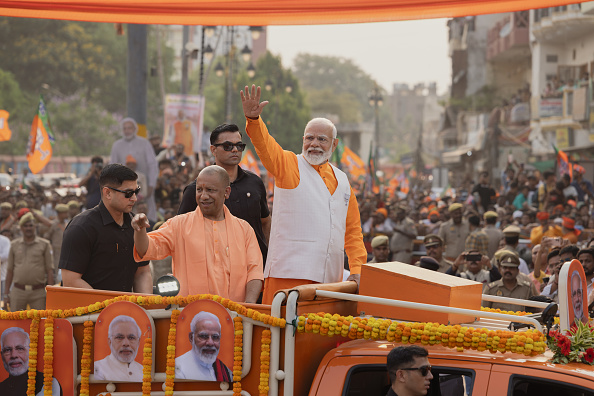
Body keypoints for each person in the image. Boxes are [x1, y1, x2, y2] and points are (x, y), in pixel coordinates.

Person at [240, 85, 366, 304]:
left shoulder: (343, 181)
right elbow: (266, 147)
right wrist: (254, 120)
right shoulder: (289, 164)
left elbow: (353, 231)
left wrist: (356, 268)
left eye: (321, 139)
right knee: (282, 335)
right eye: (309, 138)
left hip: (330, 279)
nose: (314, 144)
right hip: (288, 275)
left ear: (334, 144)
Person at [132, 165, 263, 303]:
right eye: (199, 190)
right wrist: (140, 231)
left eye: (210, 190)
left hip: (234, 317)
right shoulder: (179, 225)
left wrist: (247, 309)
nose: (204, 196)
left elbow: (255, 272)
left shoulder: (244, 229)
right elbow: (145, 249)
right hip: (190, 317)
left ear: (227, 192)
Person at [178, 123, 271, 262]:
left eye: (239, 146)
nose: (235, 150)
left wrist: (269, 257)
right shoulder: (196, 190)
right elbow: (181, 232)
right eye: (228, 146)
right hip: (216, 268)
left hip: (255, 266)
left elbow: (265, 222)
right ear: (213, 150)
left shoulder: (255, 183)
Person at [59, 164, 152, 293]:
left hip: (127, 311)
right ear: (107, 193)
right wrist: (108, 308)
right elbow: (71, 280)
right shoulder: (81, 227)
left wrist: (143, 307)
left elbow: (142, 272)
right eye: (128, 193)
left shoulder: (136, 224)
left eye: (136, 191)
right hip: (89, 311)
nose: (134, 198)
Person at [110, 117, 159, 222]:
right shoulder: (117, 146)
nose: (127, 131)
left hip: (144, 185)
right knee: (126, 215)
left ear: (135, 129)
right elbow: (112, 167)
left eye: (129, 128)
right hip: (123, 187)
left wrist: (151, 185)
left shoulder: (145, 143)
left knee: (147, 214)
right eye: (125, 128)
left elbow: (152, 165)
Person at [4, 213, 53, 311]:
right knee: (16, 324)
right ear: (21, 228)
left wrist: (50, 295)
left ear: (35, 226)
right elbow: (10, 271)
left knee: (40, 323)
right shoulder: (14, 245)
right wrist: (6, 294)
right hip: (18, 291)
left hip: (38, 292)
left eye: (31, 225)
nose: (28, 228)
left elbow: (49, 270)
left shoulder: (45, 245)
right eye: (25, 226)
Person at [0, 327, 61, 395]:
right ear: (2, 355)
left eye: (20, 349)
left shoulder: (47, 383)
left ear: (31, 351)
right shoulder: (1, 387)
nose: (14, 355)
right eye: (7, 350)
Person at [175, 311, 233, 382]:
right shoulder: (178, 367)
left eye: (215, 337)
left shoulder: (225, 370)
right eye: (203, 336)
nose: (210, 343)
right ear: (191, 337)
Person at [94, 315, 143, 382]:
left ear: (138, 342)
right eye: (119, 337)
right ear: (110, 341)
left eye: (131, 338)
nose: (126, 343)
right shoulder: (98, 368)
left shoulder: (143, 371)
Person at [43, 203, 69, 282]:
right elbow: (46, 237)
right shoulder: (54, 224)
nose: (66, 214)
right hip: (57, 252)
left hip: (67, 251)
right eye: (64, 212)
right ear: (59, 213)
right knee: (57, 272)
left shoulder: (67, 223)